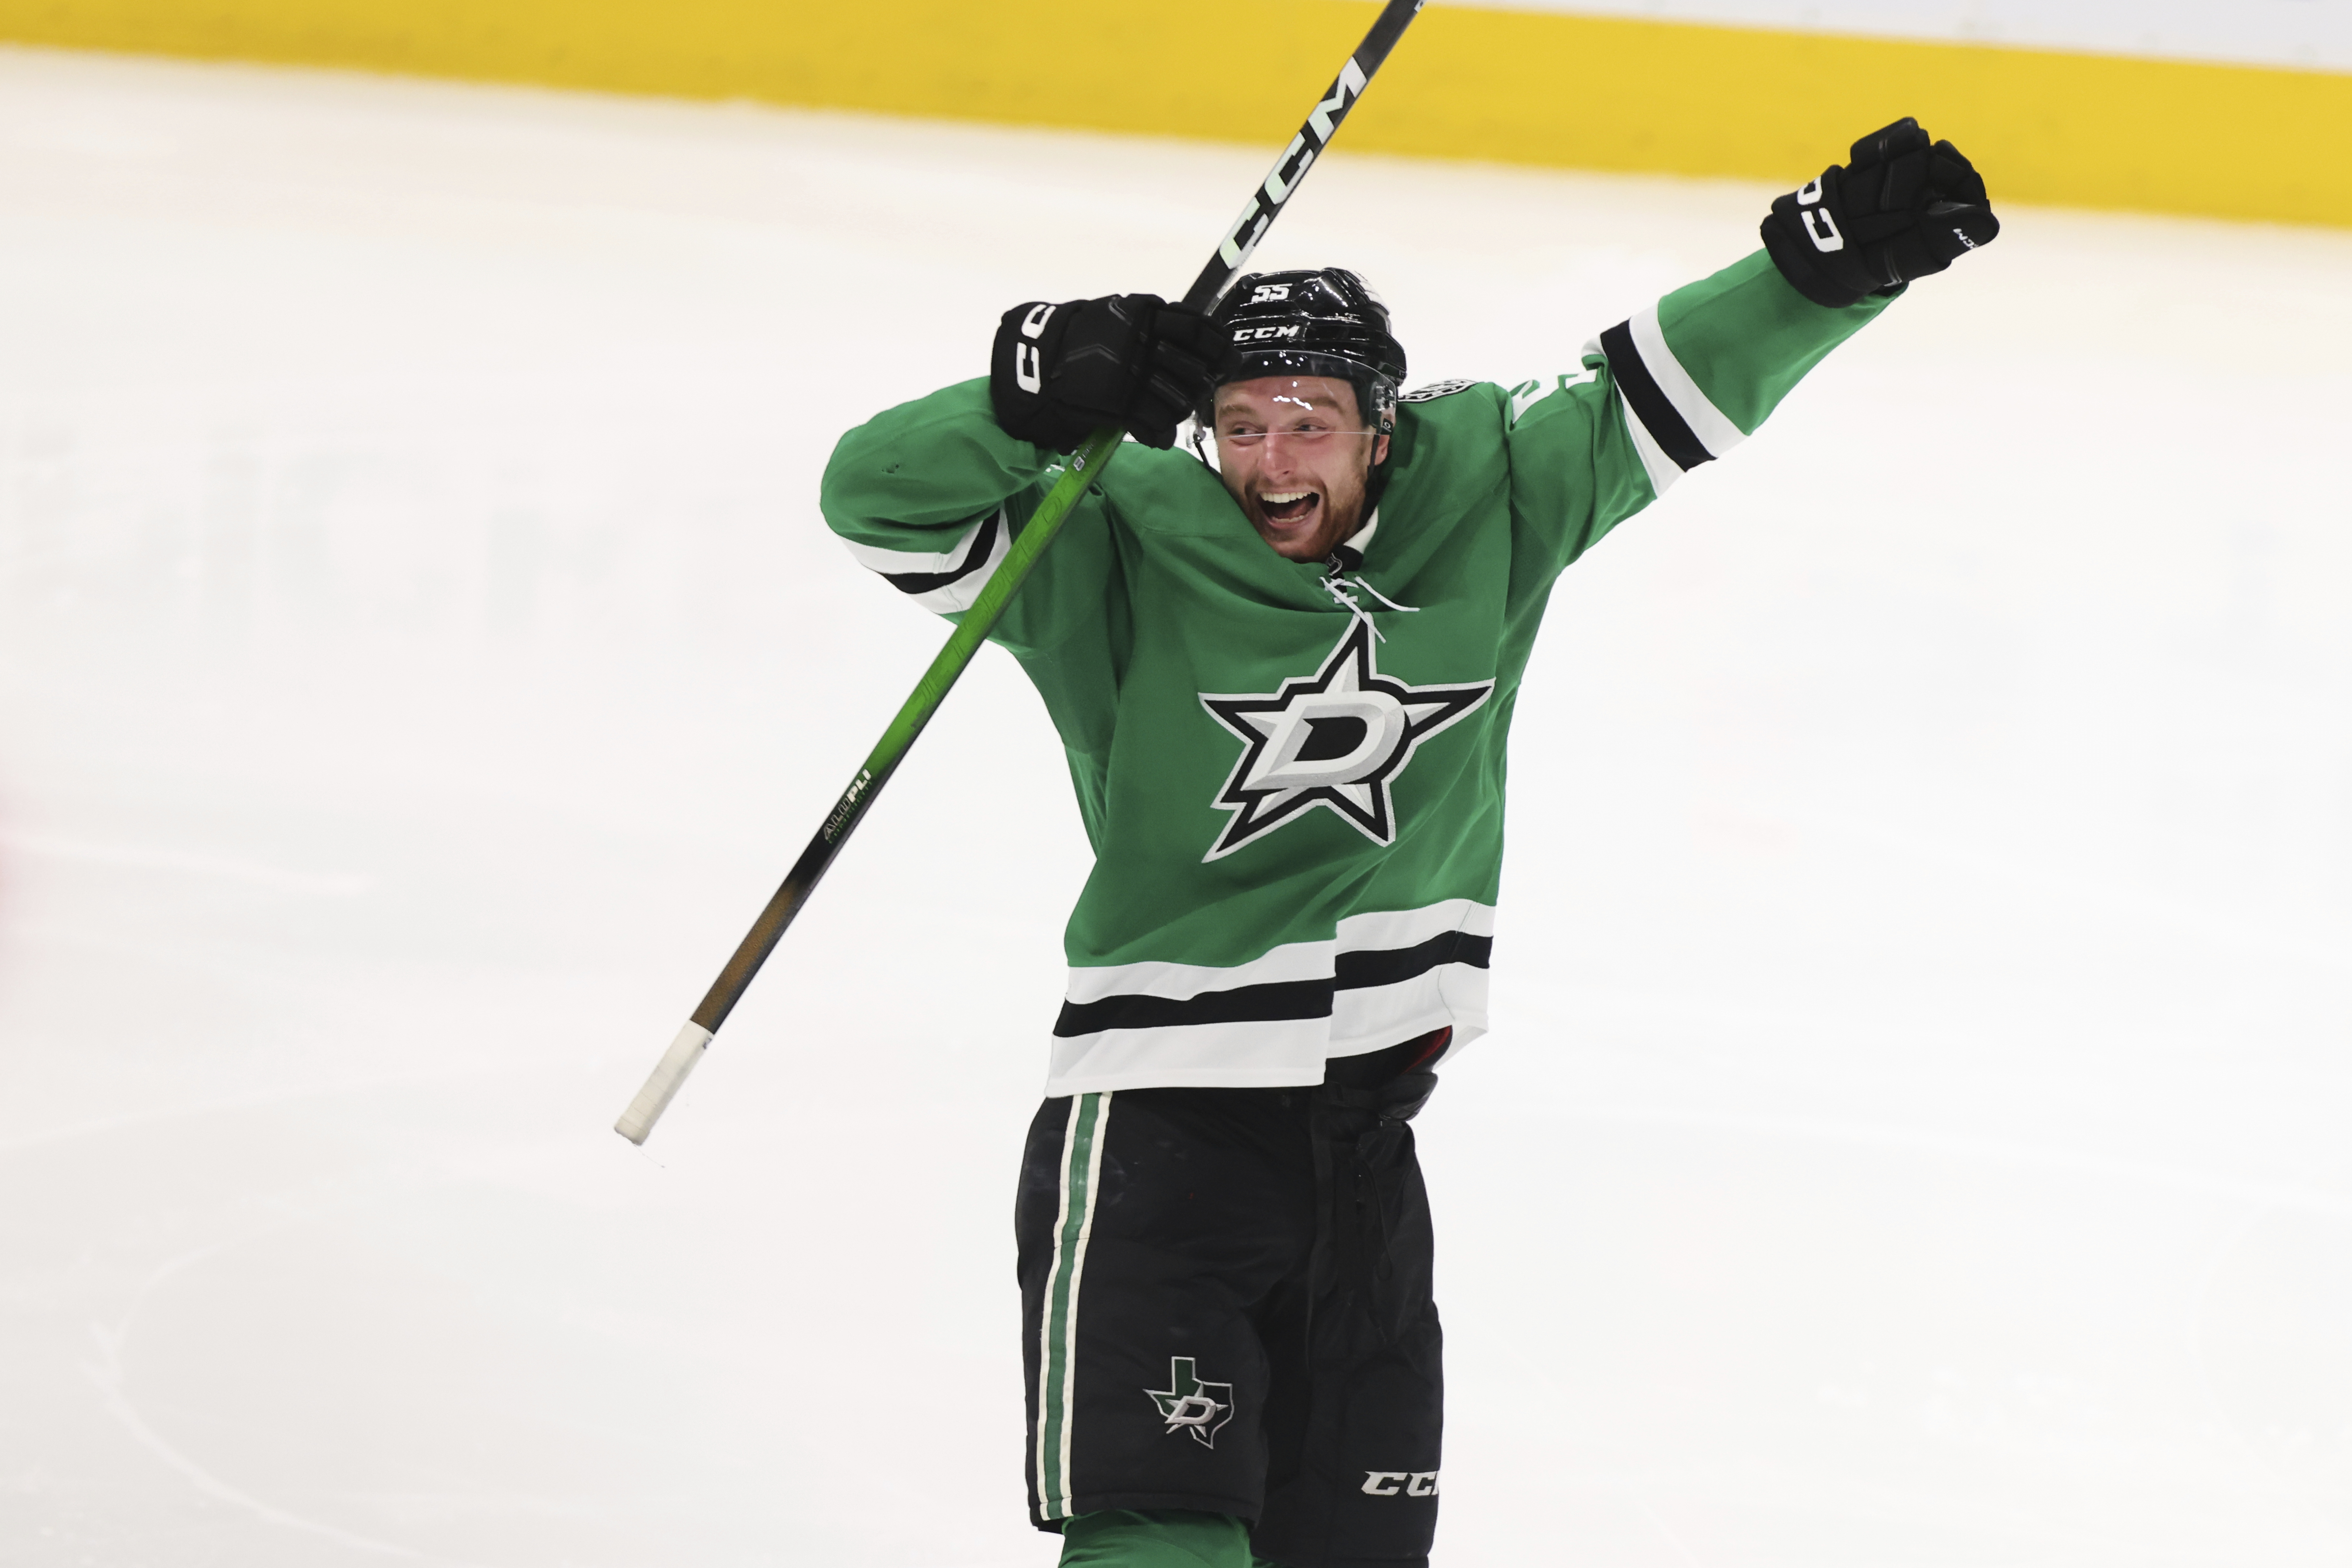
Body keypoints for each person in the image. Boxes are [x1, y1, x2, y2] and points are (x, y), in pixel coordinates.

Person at [821, 119, 1997, 1568]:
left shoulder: (1487, 486)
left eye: (1308, 421)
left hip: (1369, 1148)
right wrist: (1026, 401)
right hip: (1161, 1131)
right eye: (1239, 424)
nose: (1269, 461)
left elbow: (1655, 384)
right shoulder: (1116, 530)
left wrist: (1824, 273)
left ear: (1382, 429)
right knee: (1163, 1538)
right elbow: (872, 497)